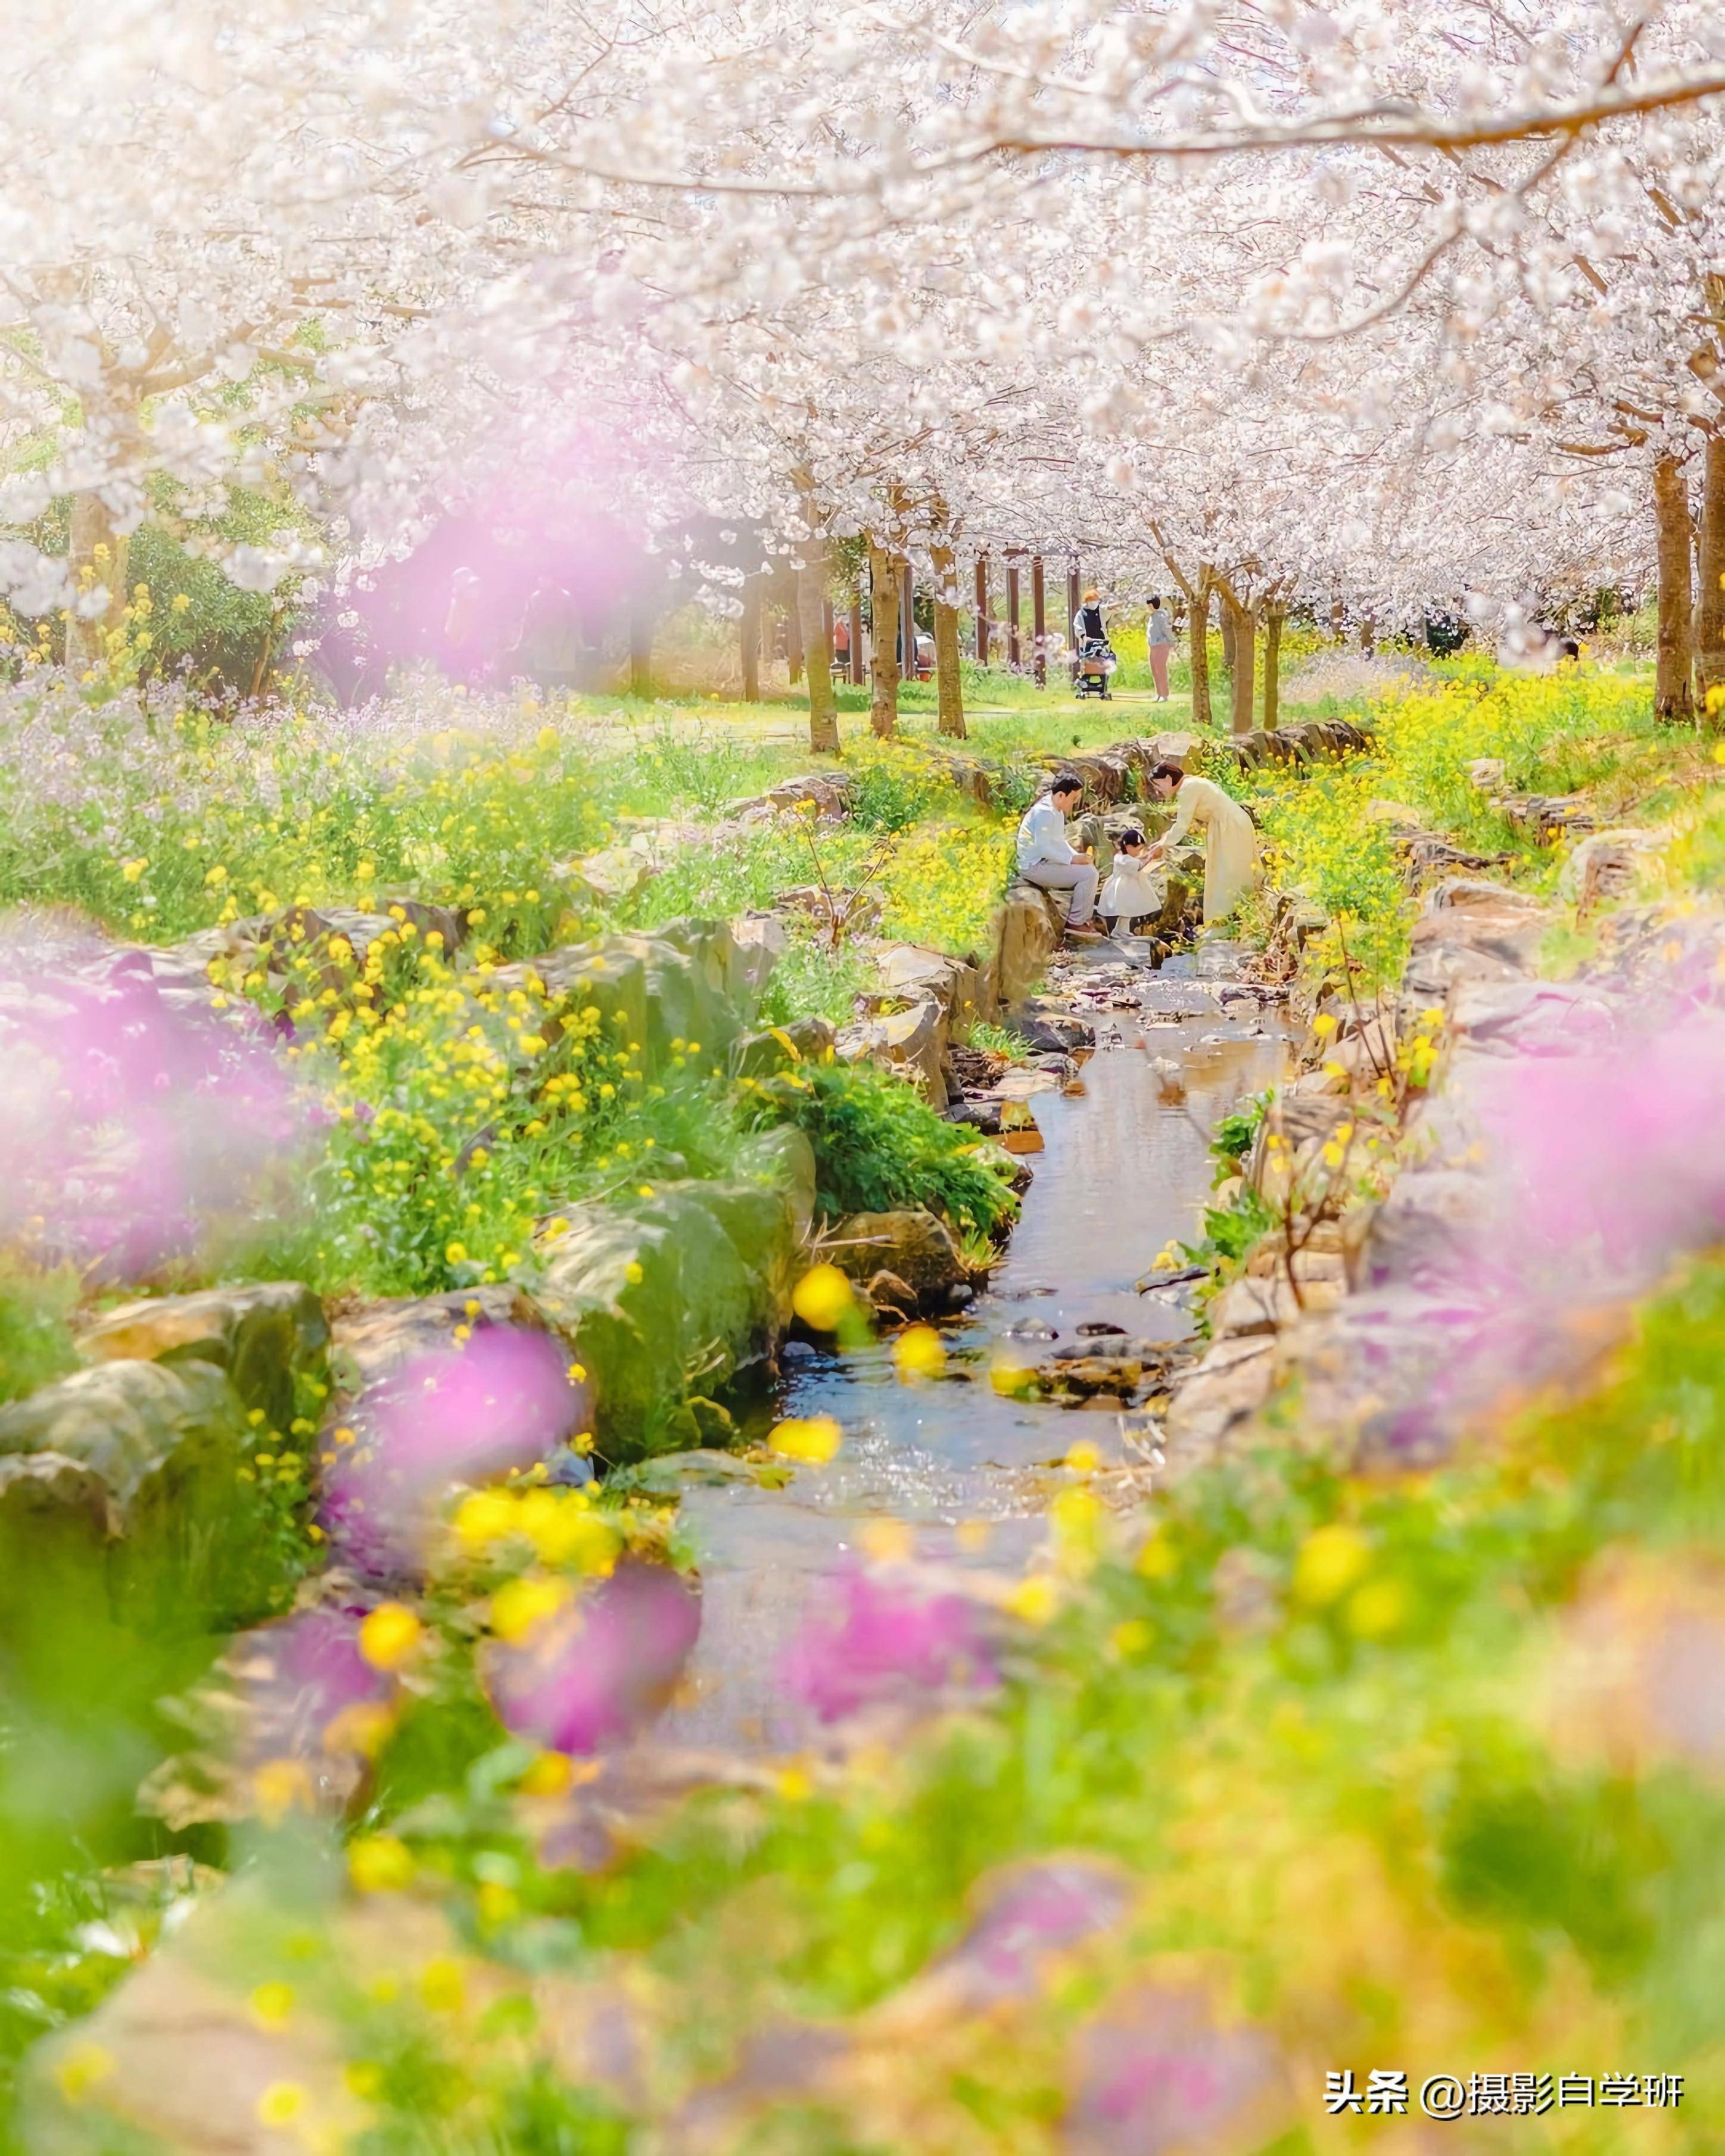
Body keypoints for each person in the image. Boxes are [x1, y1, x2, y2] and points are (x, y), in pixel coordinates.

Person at [1144, 761, 1258, 924]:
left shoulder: (1188, 788)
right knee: (1225, 871)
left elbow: (1182, 824)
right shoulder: (1190, 785)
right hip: (1228, 824)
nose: (1158, 790)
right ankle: (1231, 919)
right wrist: (1163, 843)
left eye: (1158, 784)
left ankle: (1230, 920)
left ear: (1168, 779)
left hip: (1230, 826)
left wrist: (1164, 845)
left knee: (1229, 872)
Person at [1016, 771, 1102, 940]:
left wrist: (1078, 857)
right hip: (1034, 866)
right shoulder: (1044, 813)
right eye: (1074, 798)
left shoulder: (1056, 809)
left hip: (1044, 862)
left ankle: (1081, 919)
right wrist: (1073, 860)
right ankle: (1076, 922)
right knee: (1090, 875)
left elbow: (1059, 842)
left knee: (1088, 869)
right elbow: (1044, 847)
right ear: (1062, 795)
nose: (1076, 802)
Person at [1099, 827, 1162, 936]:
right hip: (1122, 889)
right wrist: (1151, 857)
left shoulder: (1125, 857)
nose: (1139, 852)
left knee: (1128, 912)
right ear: (1129, 847)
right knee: (1125, 910)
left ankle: (1121, 930)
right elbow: (1138, 865)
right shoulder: (1122, 859)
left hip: (1128, 888)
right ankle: (1120, 931)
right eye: (1138, 849)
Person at [1071, 588, 1117, 681]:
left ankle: (1104, 680)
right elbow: (1077, 626)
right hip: (1088, 645)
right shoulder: (1081, 614)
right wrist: (1084, 637)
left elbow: (1109, 609)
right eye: (1091, 601)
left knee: (1110, 657)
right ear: (1087, 602)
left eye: (1095, 600)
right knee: (1090, 659)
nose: (1093, 603)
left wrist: (1115, 606)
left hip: (1102, 643)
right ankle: (1085, 679)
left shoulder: (1101, 611)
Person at [1146, 594, 1175, 702]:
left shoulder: (1162, 615)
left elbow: (1166, 629)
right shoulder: (1152, 616)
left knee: (1161, 670)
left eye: (1150, 606)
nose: (1149, 608)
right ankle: (1159, 693)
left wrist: (1172, 642)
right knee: (1155, 670)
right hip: (1153, 646)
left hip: (1161, 646)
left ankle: (1165, 695)